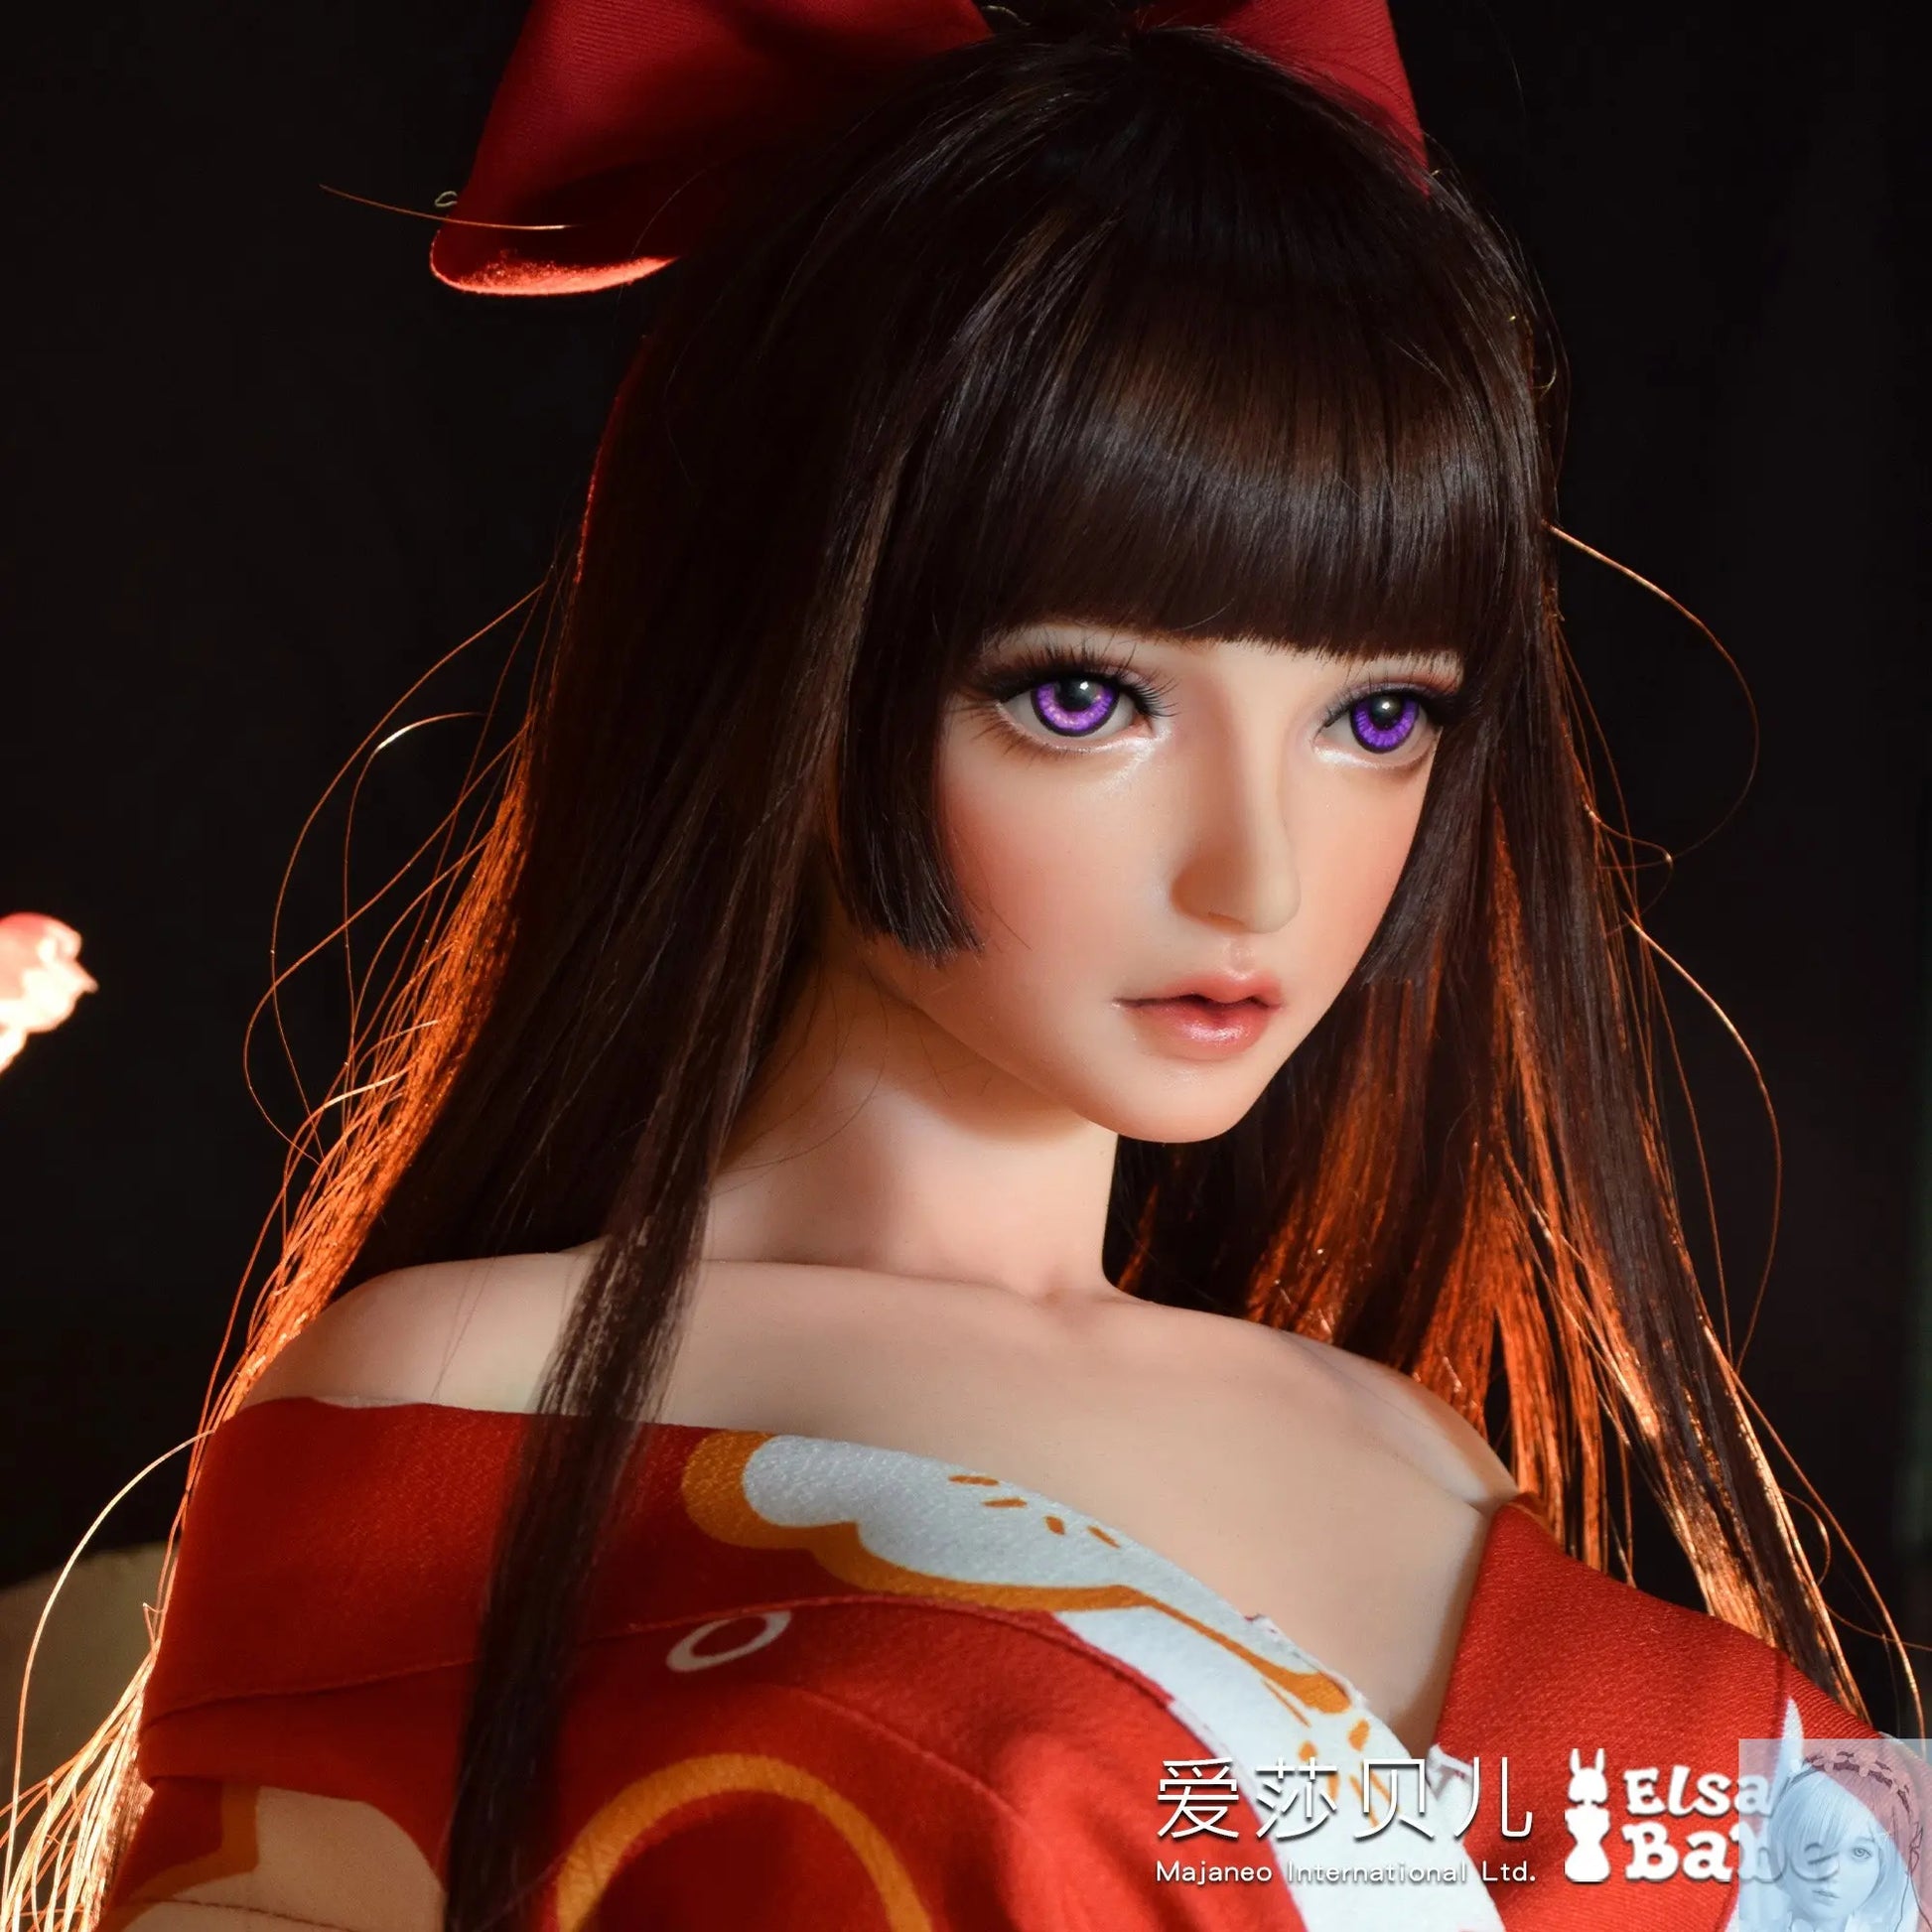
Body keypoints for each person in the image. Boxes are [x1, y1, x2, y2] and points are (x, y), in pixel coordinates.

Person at [7, 1, 1912, 1927]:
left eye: (1376, 718)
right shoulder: (459, 1414)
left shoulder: (1421, 1450)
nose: (1260, 873)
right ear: (784, 662)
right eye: (1083, 697)